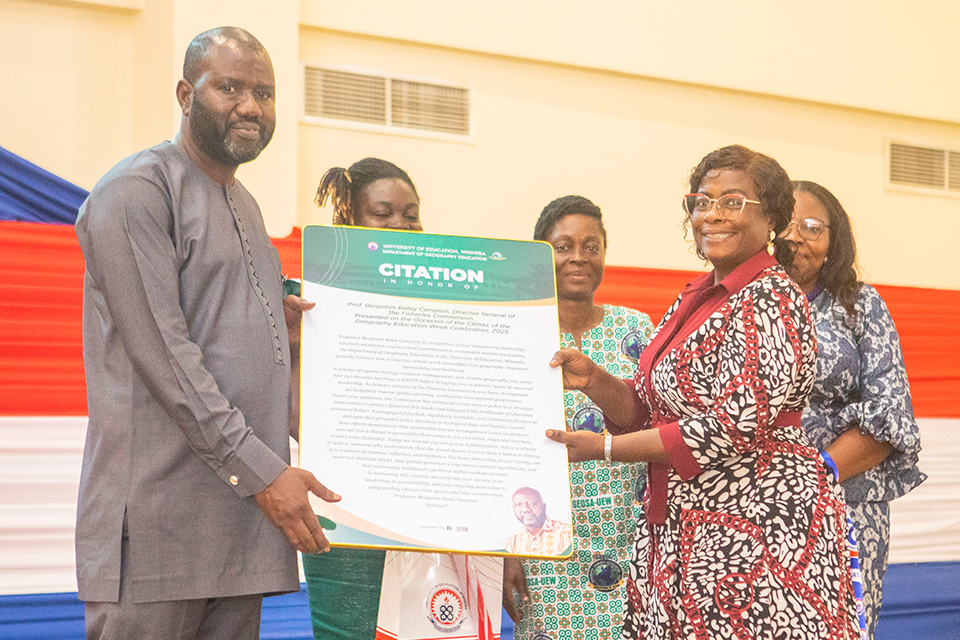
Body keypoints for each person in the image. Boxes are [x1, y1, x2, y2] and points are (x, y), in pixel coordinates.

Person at [74, 27, 340, 640]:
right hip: (157, 530)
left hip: (239, 527)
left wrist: (278, 321)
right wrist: (265, 473)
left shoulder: (245, 204)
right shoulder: (136, 191)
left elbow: (223, 332)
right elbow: (166, 357)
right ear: (185, 94)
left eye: (265, 94)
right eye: (230, 87)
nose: (252, 106)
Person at [546, 145, 861, 638]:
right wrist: (596, 382)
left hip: (754, 532)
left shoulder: (772, 297)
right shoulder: (697, 295)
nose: (712, 214)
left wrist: (603, 449)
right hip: (682, 529)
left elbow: (728, 428)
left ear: (772, 217)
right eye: (702, 200)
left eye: (732, 201)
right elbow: (652, 410)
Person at [303, 158, 501, 639]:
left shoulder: (453, 306)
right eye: (383, 213)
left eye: (410, 214)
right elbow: (298, 420)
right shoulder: (309, 301)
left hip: (438, 514)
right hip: (351, 519)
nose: (401, 225)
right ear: (349, 220)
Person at [503, 195, 653, 639]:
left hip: (627, 535)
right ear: (539, 253)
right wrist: (509, 548)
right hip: (544, 542)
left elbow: (646, 419)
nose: (579, 258)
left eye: (592, 246)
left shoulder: (637, 329)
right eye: (563, 246)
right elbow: (502, 444)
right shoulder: (514, 329)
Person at [782, 180, 926, 638]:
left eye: (812, 227)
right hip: (751, 509)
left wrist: (809, 480)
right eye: (786, 224)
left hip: (846, 505)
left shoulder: (861, 305)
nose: (798, 236)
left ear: (832, 242)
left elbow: (889, 419)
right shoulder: (736, 305)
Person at [504, 487, 573, 556]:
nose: (525, 509)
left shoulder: (567, 533)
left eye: (532, 504)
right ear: (513, 509)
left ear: (544, 507)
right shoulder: (513, 540)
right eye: (518, 505)